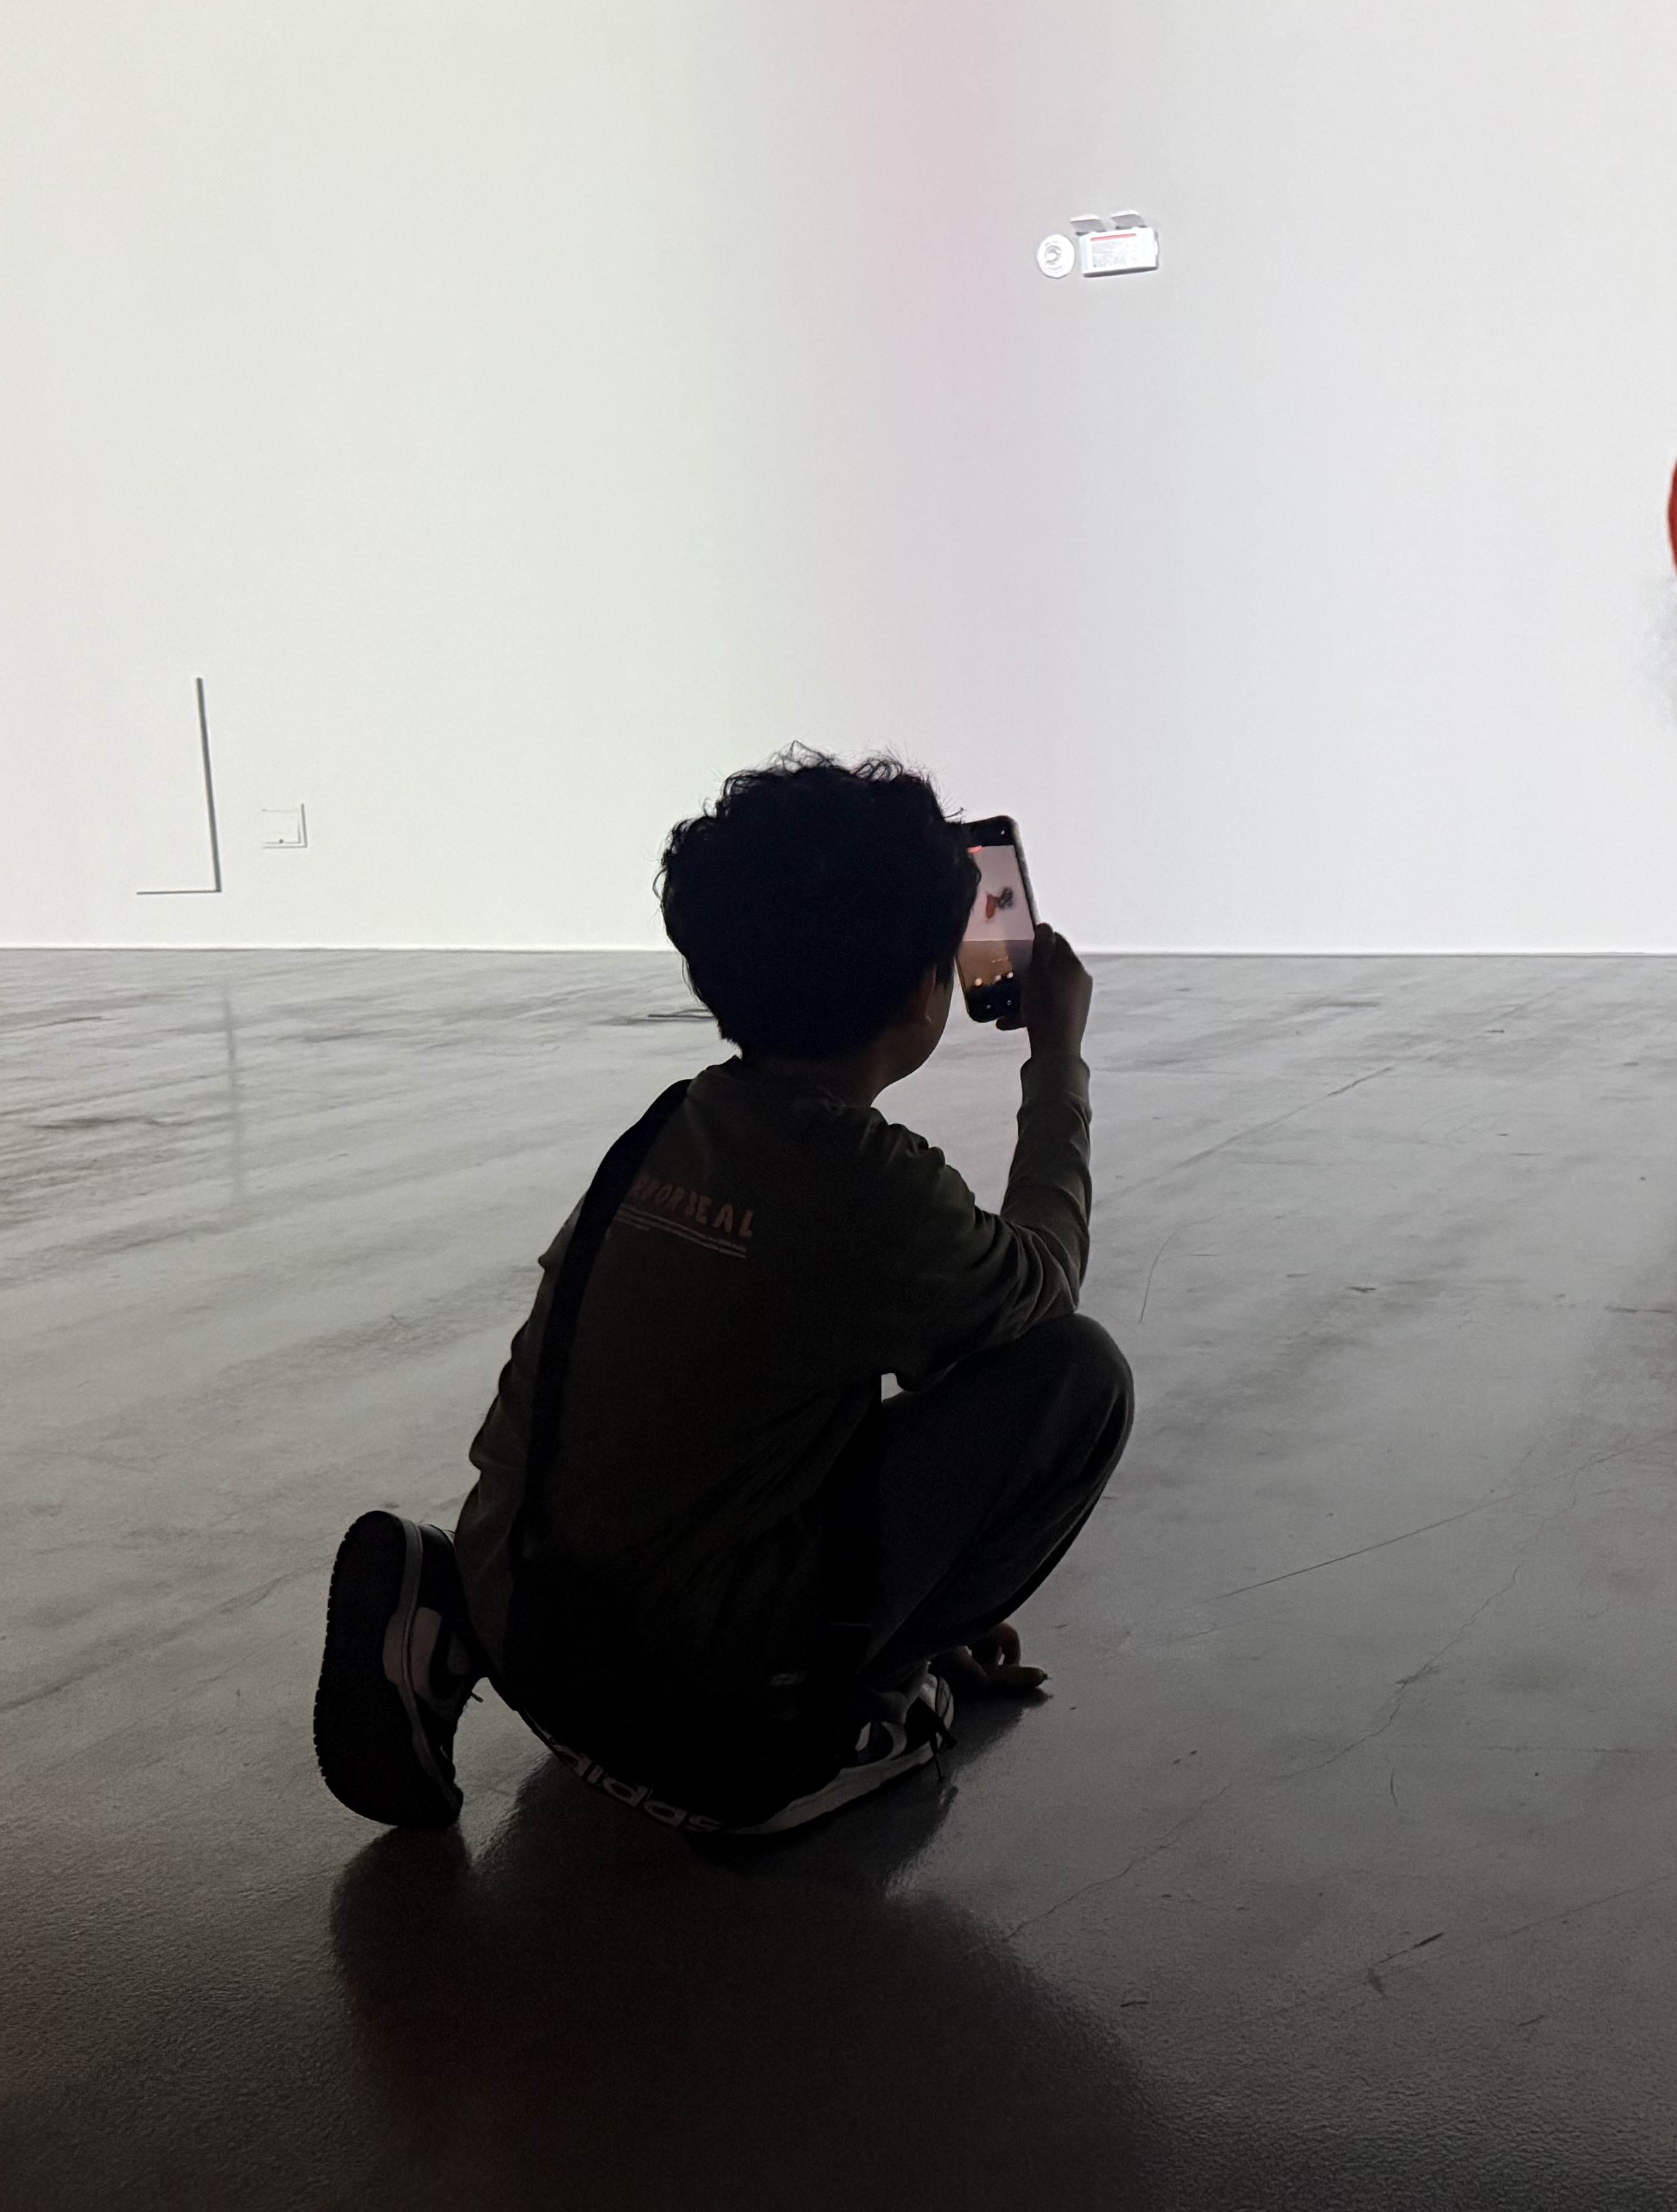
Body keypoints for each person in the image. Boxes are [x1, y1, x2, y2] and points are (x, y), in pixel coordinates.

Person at [311, 750, 1130, 1836]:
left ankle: (449, 1612)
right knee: (1079, 1378)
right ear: (923, 992)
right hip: (679, 1713)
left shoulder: (675, 1124)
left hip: (526, 1605)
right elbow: (1044, 1287)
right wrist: (1057, 1054)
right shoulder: (866, 1188)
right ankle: (842, 1714)